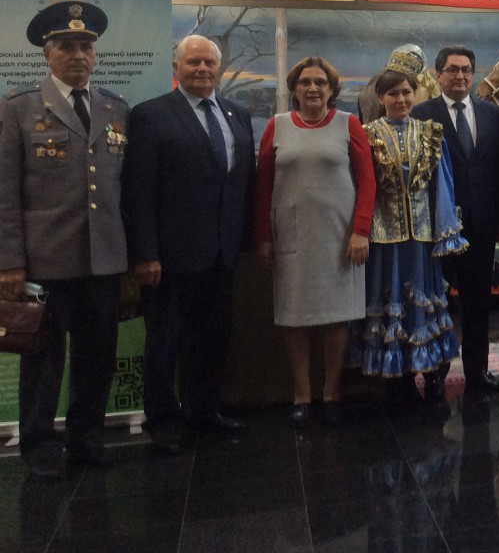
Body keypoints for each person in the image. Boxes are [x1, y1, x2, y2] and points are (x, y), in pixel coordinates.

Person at [0, 2, 127, 479]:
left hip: (104, 260)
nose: (79, 55)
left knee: (97, 358)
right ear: (47, 55)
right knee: (44, 360)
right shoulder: (19, 109)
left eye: (86, 46)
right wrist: (9, 262)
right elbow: (5, 193)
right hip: (46, 261)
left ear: (95, 54)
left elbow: (119, 189)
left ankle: (86, 438)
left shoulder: (115, 108)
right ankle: (38, 444)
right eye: (67, 46)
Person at [122, 35, 257, 456]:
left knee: (212, 339)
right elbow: (139, 191)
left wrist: (245, 242)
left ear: (219, 68)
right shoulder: (151, 116)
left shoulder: (237, 113)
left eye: (209, 63)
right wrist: (145, 253)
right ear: (176, 68)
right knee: (165, 342)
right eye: (193, 62)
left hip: (222, 253)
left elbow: (242, 184)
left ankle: (204, 411)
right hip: (170, 257)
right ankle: (163, 421)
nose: (202, 69)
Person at [254, 57, 375, 428]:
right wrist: (263, 236)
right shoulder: (276, 126)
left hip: (340, 238)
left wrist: (361, 230)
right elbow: (263, 186)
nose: (312, 88)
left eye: (320, 82)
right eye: (305, 82)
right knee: (295, 317)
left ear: (331, 89)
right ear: (294, 88)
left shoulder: (348, 124)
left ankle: (331, 393)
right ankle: (302, 395)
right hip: (292, 236)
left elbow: (367, 181)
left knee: (336, 317)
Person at [359, 52, 466, 405]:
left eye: (406, 92)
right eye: (393, 94)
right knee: (390, 302)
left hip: (422, 239)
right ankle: (397, 380)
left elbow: (442, 186)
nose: (401, 99)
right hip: (384, 239)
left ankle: (433, 373)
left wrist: (445, 230)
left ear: (415, 93)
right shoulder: (367, 136)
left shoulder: (431, 134)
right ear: (381, 98)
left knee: (424, 306)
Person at [411, 46, 499, 397]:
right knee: (437, 302)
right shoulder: (421, 114)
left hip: (481, 226)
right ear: (438, 75)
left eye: (467, 69)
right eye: (452, 69)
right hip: (438, 227)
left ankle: (477, 371)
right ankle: (435, 373)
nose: (461, 76)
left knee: (478, 302)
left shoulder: (492, 114)